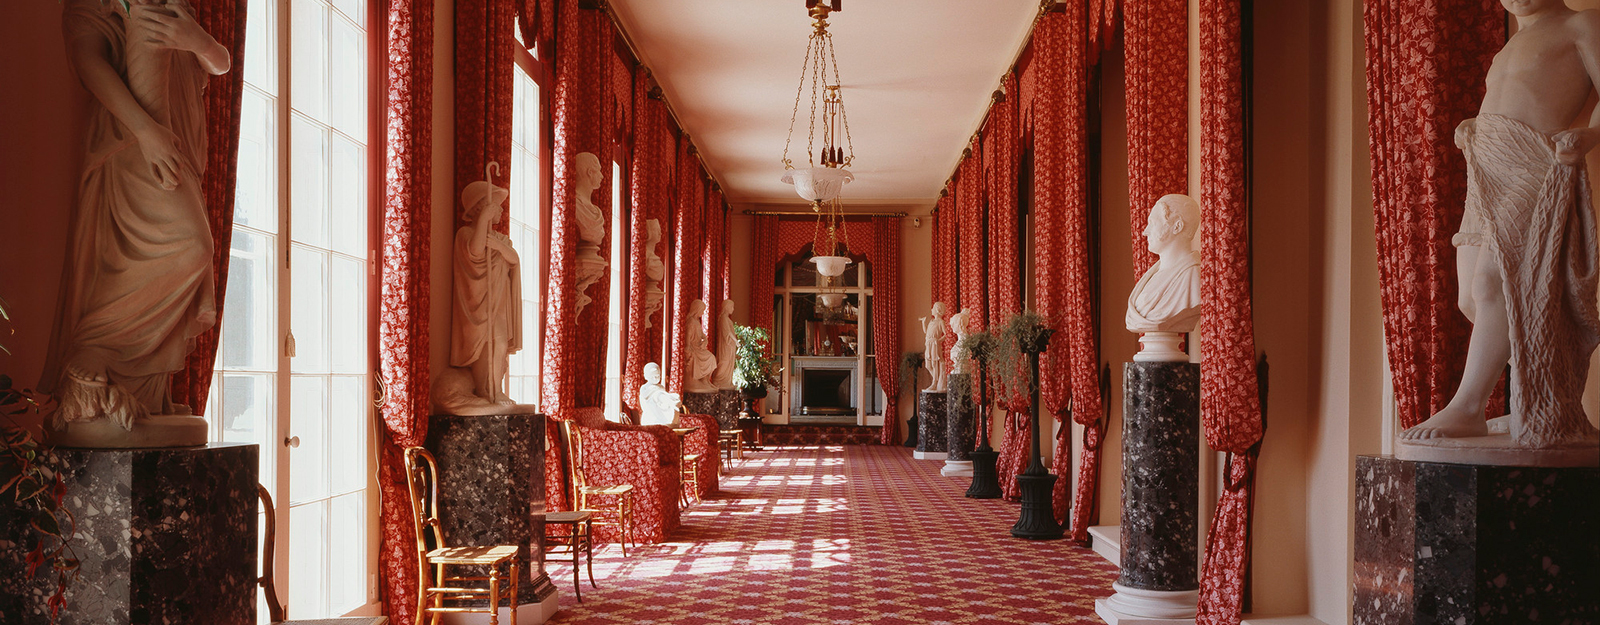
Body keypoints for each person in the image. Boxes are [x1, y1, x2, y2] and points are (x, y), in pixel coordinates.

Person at [1403, 0, 1600, 447]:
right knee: (1471, 297)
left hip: (1536, 163)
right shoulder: (1508, 45)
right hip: (1487, 169)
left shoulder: (1580, 23)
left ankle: (1468, 406)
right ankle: (1531, 401)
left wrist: (1588, 135)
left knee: (1499, 282)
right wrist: (1477, 125)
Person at [42, 0, 231, 430]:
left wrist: (197, 40)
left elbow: (219, 63)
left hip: (177, 137)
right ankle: (95, 348)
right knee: (189, 246)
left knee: (163, 254)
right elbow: (88, 63)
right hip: (130, 138)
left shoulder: (171, 4)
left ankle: (145, 386)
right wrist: (146, 134)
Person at [450, 164, 520, 405]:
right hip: (478, 303)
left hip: (498, 301)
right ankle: (485, 389)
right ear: (481, 209)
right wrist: (483, 222)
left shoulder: (499, 239)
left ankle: (495, 389)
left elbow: (514, 259)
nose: (500, 211)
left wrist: (500, 247)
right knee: (486, 345)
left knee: (500, 343)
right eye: (494, 207)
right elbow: (476, 252)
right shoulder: (466, 234)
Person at [1125, 194, 1202, 334]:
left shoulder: (1194, 277)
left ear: (1177, 226)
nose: (1145, 231)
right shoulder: (1151, 275)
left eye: (1153, 223)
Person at [685, 299, 720, 393]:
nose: (703, 313)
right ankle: (701, 380)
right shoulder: (691, 322)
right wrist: (688, 346)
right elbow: (688, 335)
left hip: (698, 347)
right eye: (702, 310)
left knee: (711, 358)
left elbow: (701, 335)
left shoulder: (696, 321)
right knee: (709, 357)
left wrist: (705, 339)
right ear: (697, 309)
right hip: (693, 347)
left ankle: (705, 380)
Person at [639, 363, 681, 427]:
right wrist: (653, 389)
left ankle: (671, 400)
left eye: (657, 376)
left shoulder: (661, 387)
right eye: (652, 377)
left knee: (664, 396)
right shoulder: (645, 387)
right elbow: (644, 396)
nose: (655, 378)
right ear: (646, 376)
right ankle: (671, 401)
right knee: (658, 395)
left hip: (660, 411)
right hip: (650, 413)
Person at [920, 302, 949, 392]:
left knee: (934, 363)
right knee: (928, 365)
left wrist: (938, 341)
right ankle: (937, 380)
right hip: (928, 343)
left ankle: (934, 383)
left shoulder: (941, 322)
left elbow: (946, 334)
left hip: (935, 344)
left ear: (937, 310)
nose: (931, 310)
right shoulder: (931, 321)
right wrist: (923, 323)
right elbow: (926, 332)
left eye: (933, 308)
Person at [713, 300, 739, 390]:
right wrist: (735, 341)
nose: (733, 309)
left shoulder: (727, 319)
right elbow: (727, 332)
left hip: (730, 345)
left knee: (729, 363)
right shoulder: (724, 318)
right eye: (732, 307)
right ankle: (718, 379)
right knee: (725, 361)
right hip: (726, 344)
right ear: (727, 307)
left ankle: (726, 381)